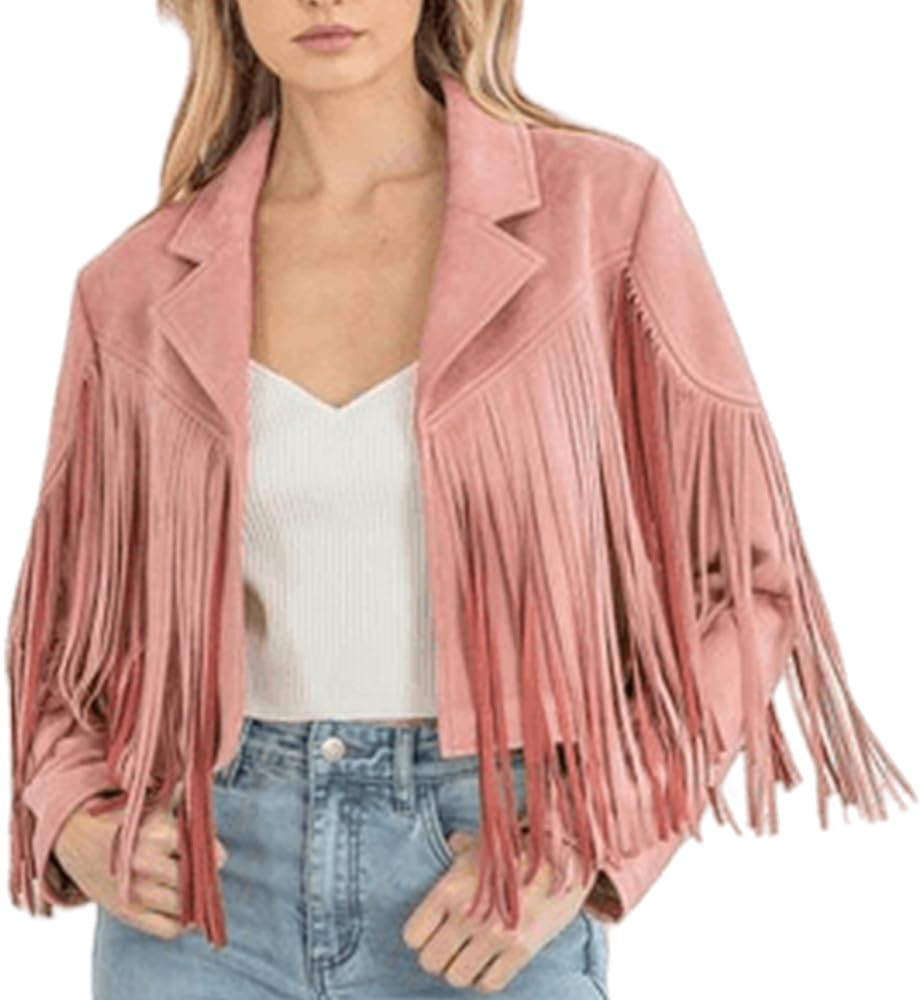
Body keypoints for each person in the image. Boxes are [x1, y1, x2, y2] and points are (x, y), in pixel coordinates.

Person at [7, 2, 914, 998]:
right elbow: (64, 634)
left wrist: (585, 837)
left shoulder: (599, 217)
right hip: (201, 895)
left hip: (494, 869)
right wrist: (74, 814)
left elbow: (746, 586)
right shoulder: (132, 286)